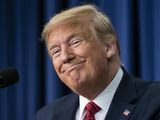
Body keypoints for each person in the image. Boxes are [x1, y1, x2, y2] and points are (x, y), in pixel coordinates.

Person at [34, 4, 160, 120]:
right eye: (56, 51)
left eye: (75, 42)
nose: (65, 57)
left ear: (109, 47)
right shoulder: (45, 116)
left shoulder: (155, 101)